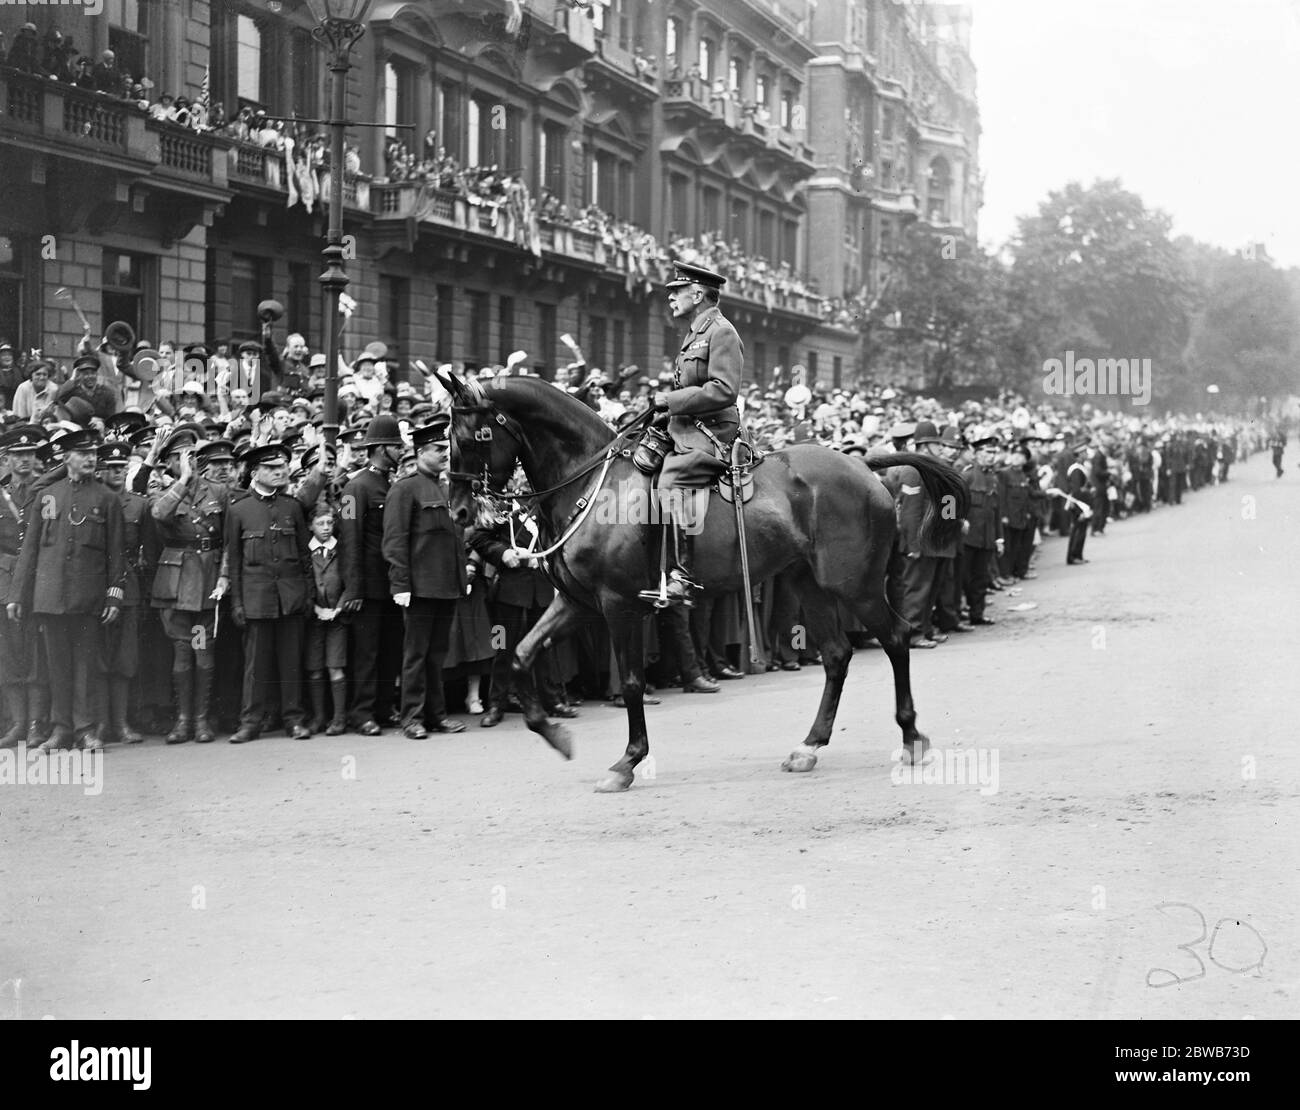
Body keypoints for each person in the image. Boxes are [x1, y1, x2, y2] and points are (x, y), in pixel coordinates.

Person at [8, 427, 125, 752]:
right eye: (83, 454)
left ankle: (85, 730)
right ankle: (60, 730)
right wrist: (18, 594)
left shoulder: (107, 498)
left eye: (93, 454)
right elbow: (30, 549)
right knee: (56, 666)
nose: (90, 459)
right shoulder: (48, 495)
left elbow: (117, 552)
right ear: (66, 458)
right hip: (50, 596)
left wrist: (114, 593)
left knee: (86, 666)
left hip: (88, 597)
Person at [644, 260, 743, 604]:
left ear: (698, 294)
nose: (670, 299)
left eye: (677, 292)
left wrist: (671, 401)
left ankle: (681, 574)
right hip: (686, 424)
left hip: (713, 429)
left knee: (671, 482)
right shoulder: (696, 332)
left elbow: (723, 390)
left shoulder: (721, 331)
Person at [224, 442, 316, 743]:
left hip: (290, 597)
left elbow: (304, 556)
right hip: (255, 599)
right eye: (272, 469)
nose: (280, 473)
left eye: (282, 468)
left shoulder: (291, 507)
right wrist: (237, 602)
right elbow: (234, 561)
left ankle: (294, 719)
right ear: (255, 472)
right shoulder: (238, 511)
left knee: (291, 660)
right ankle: (250, 722)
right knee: (255, 665)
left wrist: (308, 595)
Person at [382, 416, 468, 738]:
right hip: (419, 587)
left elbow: (456, 538)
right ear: (419, 453)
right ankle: (412, 718)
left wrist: (462, 578)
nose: (444, 453)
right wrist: (400, 584)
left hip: (446, 585)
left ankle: (437, 715)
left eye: (445, 447)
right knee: (415, 656)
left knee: (437, 656)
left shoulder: (450, 487)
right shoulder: (405, 489)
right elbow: (394, 541)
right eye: (436, 449)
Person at [150, 428, 227, 744]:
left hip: (206, 579)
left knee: (202, 650)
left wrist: (224, 575)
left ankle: (200, 720)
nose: (191, 461)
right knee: (182, 651)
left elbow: (228, 540)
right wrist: (180, 481)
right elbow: (159, 513)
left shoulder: (217, 491)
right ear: (168, 462)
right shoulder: (162, 489)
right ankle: (182, 721)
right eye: (182, 457)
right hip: (176, 582)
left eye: (194, 455)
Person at [337, 415, 405, 734]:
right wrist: (353, 589)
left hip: (392, 583)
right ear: (380, 448)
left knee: (390, 650)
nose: (401, 450)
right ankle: (361, 712)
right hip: (369, 585)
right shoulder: (356, 487)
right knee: (367, 654)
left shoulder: (390, 483)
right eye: (395, 446)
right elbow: (350, 539)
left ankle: (382, 706)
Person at [97, 439, 155, 744]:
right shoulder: (94, 500)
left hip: (129, 584)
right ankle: (100, 724)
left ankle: (120, 723)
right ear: (101, 470)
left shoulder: (139, 504)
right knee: (98, 656)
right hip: (96, 584)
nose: (117, 472)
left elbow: (148, 551)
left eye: (122, 467)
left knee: (125, 658)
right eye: (111, 467)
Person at [0, 425, 49, 748]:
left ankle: (35, 724)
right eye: (18, 455)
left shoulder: (44, 494)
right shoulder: (1, 494)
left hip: (36, 578)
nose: (24, 461)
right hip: (4, 578)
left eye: (30, 454)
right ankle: (17, 723)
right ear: (6, 458)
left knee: (35, 654)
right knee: (9, 653)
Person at [305, 502, 347, 736]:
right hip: (314, 618)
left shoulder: (340, 550)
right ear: (311, 526)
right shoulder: (306, 552)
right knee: (315, 669)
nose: (326, 528)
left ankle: (339, 718)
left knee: (335, 667)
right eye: (320, 523)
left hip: (337, 619)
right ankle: (319, 716)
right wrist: (315, 608)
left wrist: (338, 608)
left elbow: (348, 582)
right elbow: (304, 582)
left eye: (330, 523)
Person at [959, 429, 1003, 626]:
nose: (990, 457)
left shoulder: (993, 478)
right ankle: (957, 614)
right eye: (986, 452)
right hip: (967, 538)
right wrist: (956, 520)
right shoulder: (966, 476)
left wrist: (999, 539)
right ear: (976, 454)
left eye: (993, 453)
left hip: (986, 537)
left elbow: (996, 511)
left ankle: (977, 614)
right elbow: (949, 500)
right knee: (963, 578)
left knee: (981, 578)